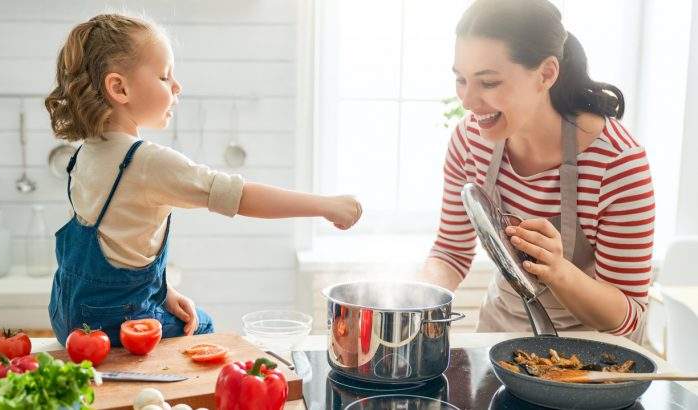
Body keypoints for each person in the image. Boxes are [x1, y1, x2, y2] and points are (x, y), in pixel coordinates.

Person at [45, 14, 362, 346]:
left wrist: (163, 292)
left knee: (190, 318)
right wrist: (326, 206)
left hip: (68, 315)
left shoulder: (85, 152)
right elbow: (240, 197)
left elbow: (119, 241)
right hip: (112, 326)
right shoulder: (147, 162)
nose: (177, 87)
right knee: (203, 329)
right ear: (119, 88)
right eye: (165, 76)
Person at [420, 0, 654, 341]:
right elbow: (451, 251)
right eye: (461, 80)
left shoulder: (617, 163)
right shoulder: (471, 140)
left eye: (488, 83)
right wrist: (418, 304)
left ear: (546, 73)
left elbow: (627, 315)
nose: (468, 101)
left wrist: (557, 270)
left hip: (595, 359)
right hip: (499, 342)